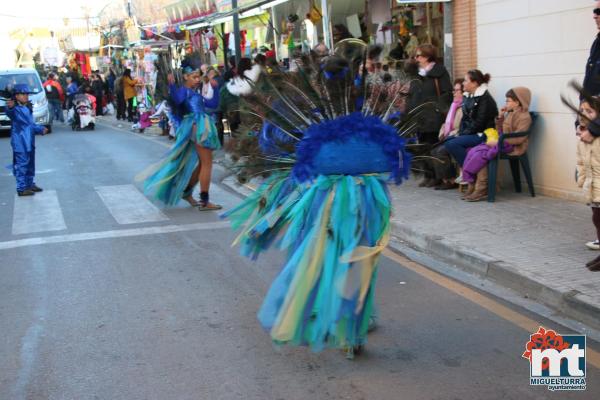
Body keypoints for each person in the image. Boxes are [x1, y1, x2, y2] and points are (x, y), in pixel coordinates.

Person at [140, 57, 222, 210]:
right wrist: (171, 84)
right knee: (207, 163)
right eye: (194, 77)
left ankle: (187, 192)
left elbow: (213, 104)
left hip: (201, 125)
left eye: (198, 77)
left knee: (202, 164)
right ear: (185, 77)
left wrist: (214, 88)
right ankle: (205, 202)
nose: (197, 80)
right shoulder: (184, 91)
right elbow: (176, 100)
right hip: (197, 127)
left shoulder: (193, 92)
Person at [461, 87, 532, 201]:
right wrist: (500, 117)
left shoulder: (524, 117)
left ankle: (481, 188)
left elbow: (519, 138)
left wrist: (499, 141)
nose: (506, 103)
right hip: (504, 143)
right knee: (474, 150)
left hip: (514, 147)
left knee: (483, 154)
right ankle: (473, 184)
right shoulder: (510, 113)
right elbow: (501, 131)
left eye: (508, 100)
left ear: (518, 102)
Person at [443, 69, 498, 178]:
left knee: (452, 144)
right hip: (472, 133)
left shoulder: (485, 98)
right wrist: (461, 132)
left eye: (465, 80)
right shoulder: (468, 96)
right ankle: (470, 172)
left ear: (475, 83)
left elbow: (480, 123)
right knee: (448, 140)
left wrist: (464, 134)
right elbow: (465, 119)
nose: (463, 83)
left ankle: (471, 173)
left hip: (484, 134)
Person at [413, 44, 453, 187]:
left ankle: (438, 176)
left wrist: (438, 107)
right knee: (422, 146)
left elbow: (447, 92)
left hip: (434, 115)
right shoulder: (417, 73)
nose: (416, 58)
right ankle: (428, 175)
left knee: (433, 144)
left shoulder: (439, 72)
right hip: (420, 115)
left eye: (419, 56)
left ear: (427, 57)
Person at [5, 84, 48, 196]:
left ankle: (29, 184)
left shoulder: (26, 107)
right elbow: (11, 112)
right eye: (23, 94)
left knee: (30, 164)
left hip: (29, 140)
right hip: (20, 142)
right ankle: (21, 188)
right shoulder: (15, 109)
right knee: (22, 165)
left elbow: (30, 125)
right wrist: (41, 129)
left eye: (27, 94)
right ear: (17, 96)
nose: (26, 96)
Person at [576, 98, 600, 270]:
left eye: (590, 111)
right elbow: (581, 161)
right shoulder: (583, 135)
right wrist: (582, 179)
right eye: (583, 110)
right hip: (592, 184)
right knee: (596, 218)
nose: (585, 114)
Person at [430, 79, 465, 190]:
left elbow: (461, 128)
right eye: (453, 90)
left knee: (440, 151)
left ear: (463, 92)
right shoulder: (454, 106)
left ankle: (450, 180)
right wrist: (443, 132)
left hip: (458, 137)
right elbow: (446, 123)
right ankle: (446, 179)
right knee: (433, 149)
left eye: (456, 90)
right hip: (450, 137)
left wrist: (450, 133)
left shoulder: (464, 107)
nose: (453, 93)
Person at [583, 1, 600, 97]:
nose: (594, 16)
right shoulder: (597, 43)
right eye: (594, 11)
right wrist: (583, 101)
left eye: (598, 11)